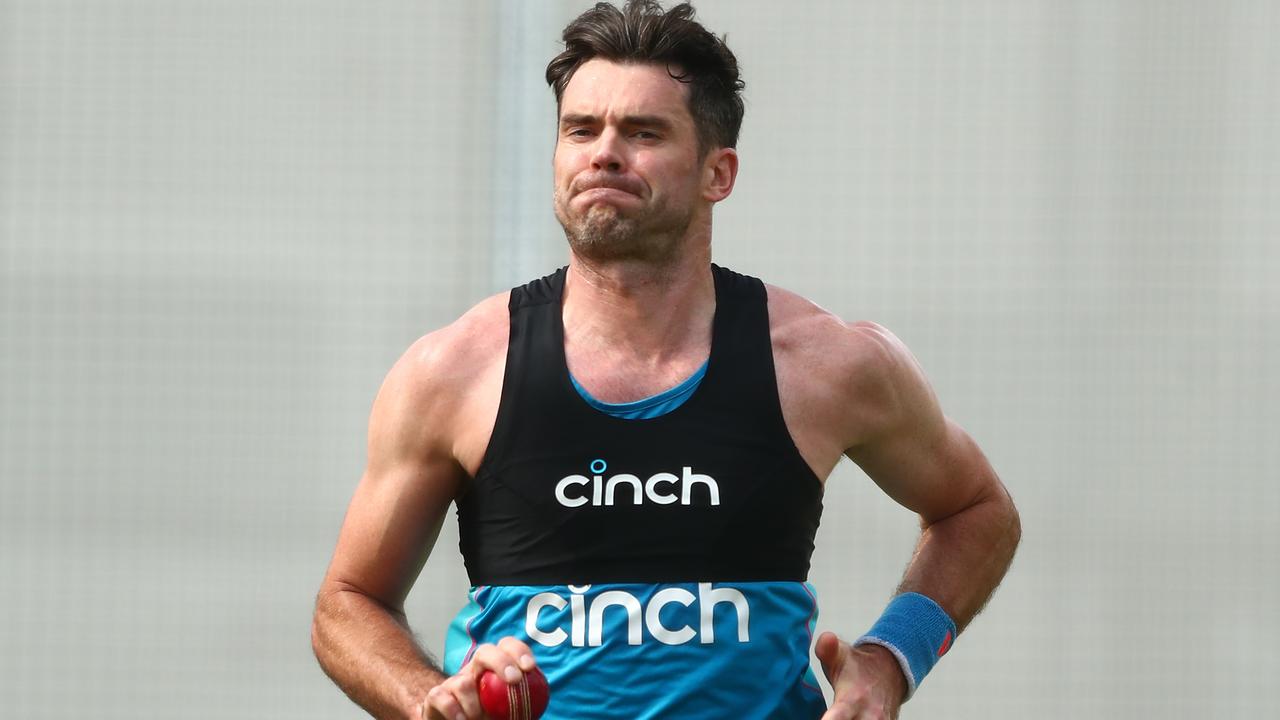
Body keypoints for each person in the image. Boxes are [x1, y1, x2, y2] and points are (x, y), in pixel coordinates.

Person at [311, 1, 1021, 718]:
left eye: (643, 132)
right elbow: (347, 603)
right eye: (580, 129)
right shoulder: (455, 370)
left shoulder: (824, 363)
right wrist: (432, 701)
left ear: (719, 173)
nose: (604, 152)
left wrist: (891, 659)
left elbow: (977, 512)